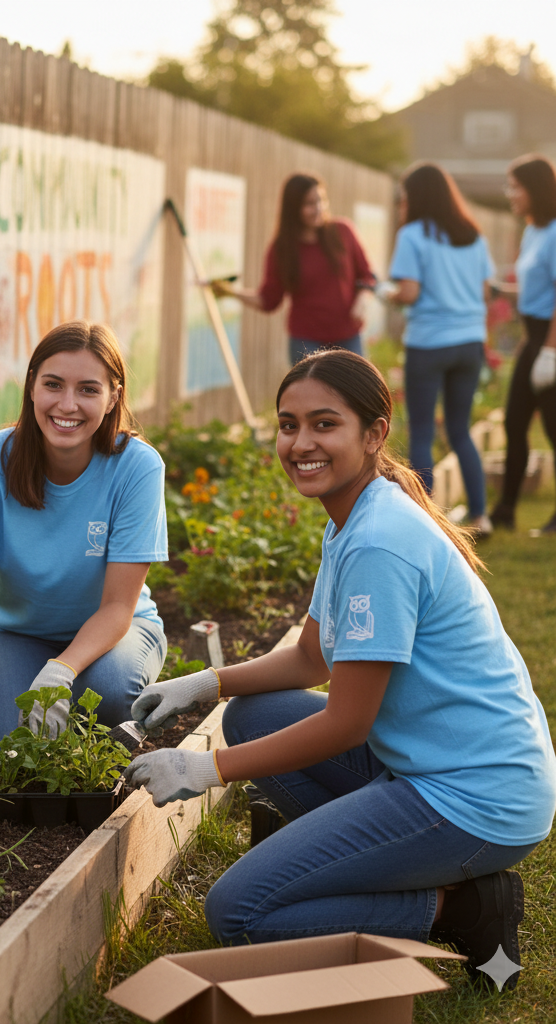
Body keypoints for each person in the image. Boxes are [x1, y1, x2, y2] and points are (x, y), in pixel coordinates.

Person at [124, 349, 555, 990]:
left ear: (374, 433)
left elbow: (345, 724)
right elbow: (311, 658)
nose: (301, 443)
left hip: (476, 800)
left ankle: (463, 906)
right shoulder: (354, 517)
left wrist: (201, 768)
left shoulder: (380, 539)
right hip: (430, 764)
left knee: (238, 912)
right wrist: (205, 685)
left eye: (325, 424)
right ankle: (365, 861)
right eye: (288, 424)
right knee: (251, 715)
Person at [0, 320, 168, 759]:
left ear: (113, 398)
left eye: (89, 389)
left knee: (105, 696)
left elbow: (117, 607)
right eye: (53, 384)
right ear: (32, 387)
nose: (68, 404)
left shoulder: (137, 468)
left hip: (115, 632)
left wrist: (63, 670)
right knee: (10, 749)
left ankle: (115, 714)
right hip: (15, 633)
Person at [386, 162, 495, 536]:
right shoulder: (474, 236)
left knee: (421, 433)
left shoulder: (412, 235)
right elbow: (484, 292)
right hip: (469, 343)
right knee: (460, 430)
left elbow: (409, 293)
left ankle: (425, 522)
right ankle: (481, 516)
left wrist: (388, 294)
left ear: (416, 198)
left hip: (429, 343)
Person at [213, 173, 376, 365]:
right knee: (311, 396)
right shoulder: (281, 249)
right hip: (306, 342)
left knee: (357, 394)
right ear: (293, 208)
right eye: (309, 203)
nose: (318, 209)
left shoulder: (343, 231)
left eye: (321, 200)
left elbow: (367, 275)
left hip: (348, 336)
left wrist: (363, 299)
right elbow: (268, 300)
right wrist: (231, 292)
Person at [491, 155, 556, 534]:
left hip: (550, 339)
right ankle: (506, 510)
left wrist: (550, 352)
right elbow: (535, 290)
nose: (510, 194)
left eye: (515, 186)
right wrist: (501, 291)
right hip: (533, 337)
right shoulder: (533, 230)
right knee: (515, 423)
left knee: (553, 428)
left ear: (535, 190)